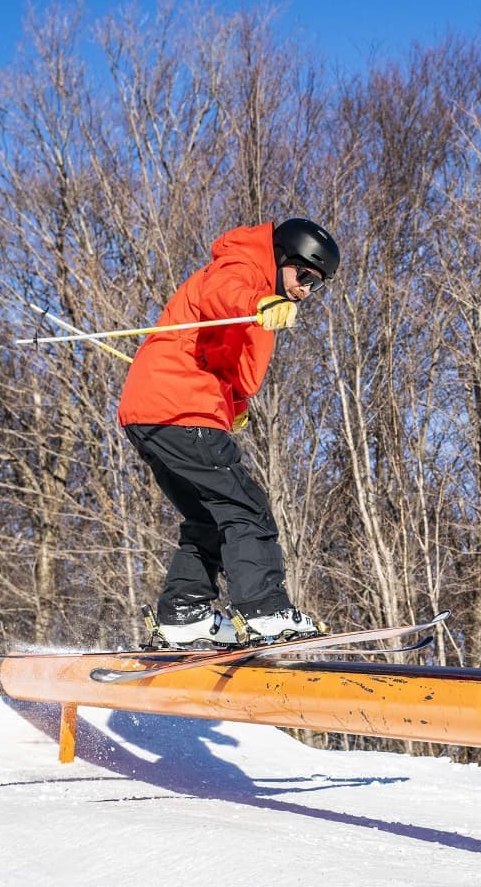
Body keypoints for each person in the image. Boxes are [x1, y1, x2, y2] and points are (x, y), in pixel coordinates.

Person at [117, 218, 340, 648]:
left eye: (318, 284)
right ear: (280, 258)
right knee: (245, 508)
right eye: (304, 275)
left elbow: (226, 360)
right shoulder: (243, 269)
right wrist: (258, 302)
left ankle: (186, 614)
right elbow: (225, 296)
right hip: (180, 407)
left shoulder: (263, 290)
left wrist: (235, 407)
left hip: (153, 414)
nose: (306, 290)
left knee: (208, 515)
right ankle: (265, 611)